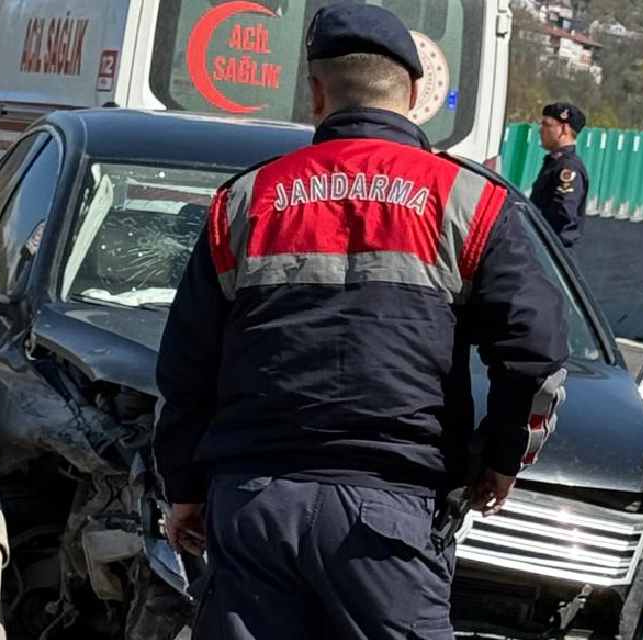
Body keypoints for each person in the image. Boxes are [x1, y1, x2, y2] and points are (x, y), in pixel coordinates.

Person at [152, 3, 570, 639]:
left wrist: (183, 483)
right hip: (391, 518)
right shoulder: (471, 201)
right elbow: (535, 357)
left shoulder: (243, 201)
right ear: (416, 93)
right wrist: (501, 458)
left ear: (317, 93)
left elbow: (186, 367)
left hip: (254, 505)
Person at [530, 102, 590, 248]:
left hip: (554, 249)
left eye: (546, 125)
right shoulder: (555, 163)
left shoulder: (568, 167)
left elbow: (563, 214)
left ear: (564, 129)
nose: (540, 130)